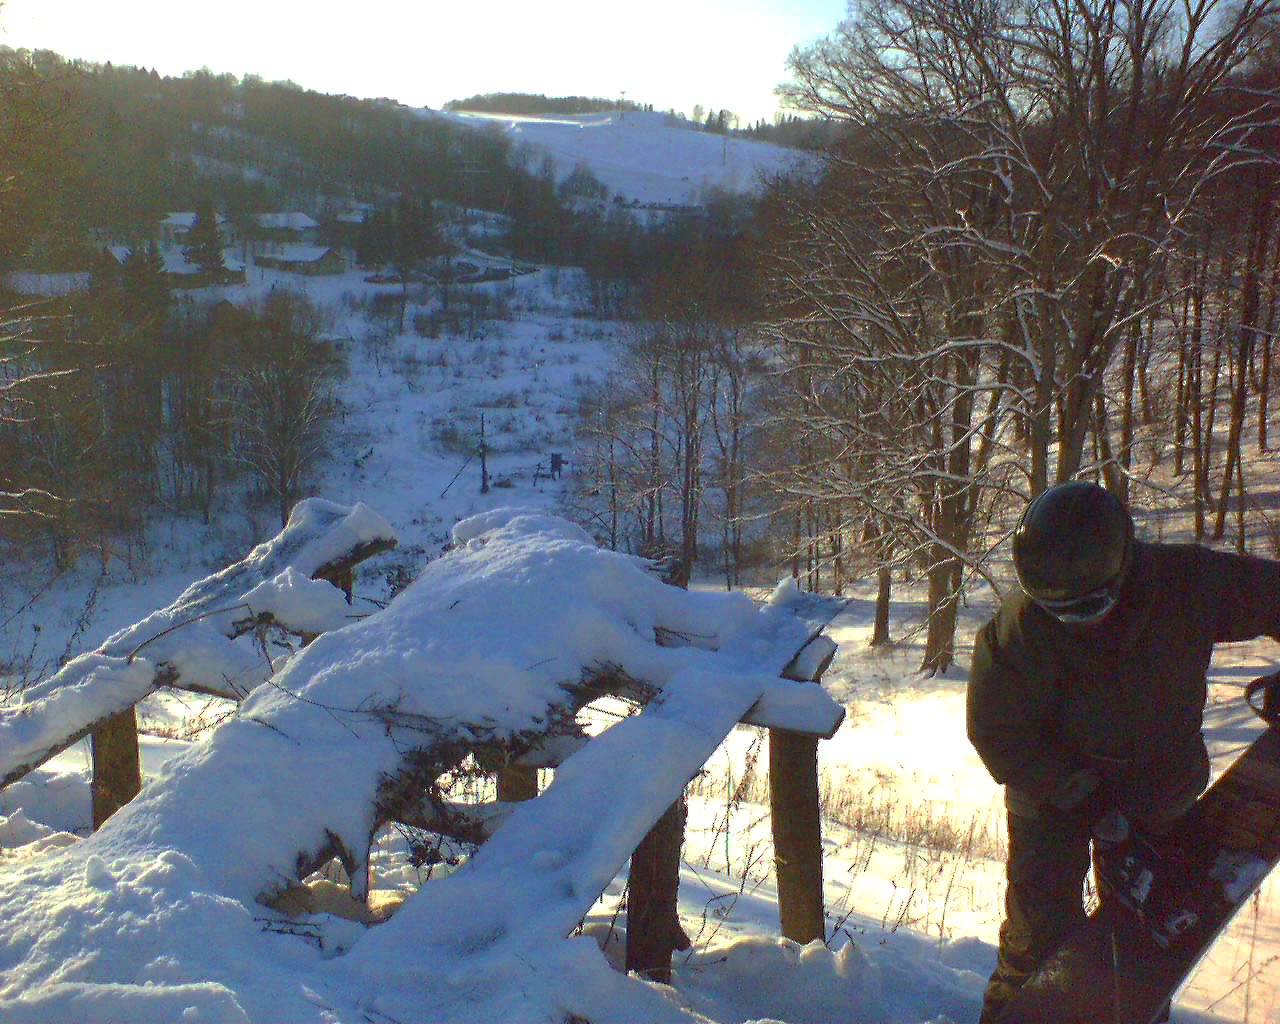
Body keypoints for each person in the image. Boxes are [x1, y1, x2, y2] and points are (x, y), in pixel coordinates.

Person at [967, 480, 1280, 1023]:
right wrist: (1076, 795)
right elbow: (998, 730)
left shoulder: (1188, 584)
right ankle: (1010, 1015)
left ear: (1124, 567)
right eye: (1055, 608)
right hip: (1050, 792)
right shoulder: (1019, 629)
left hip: (1158, 785)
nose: (1074, 620)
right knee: (1037, 936)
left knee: (1144, 943)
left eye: (1089, 605)